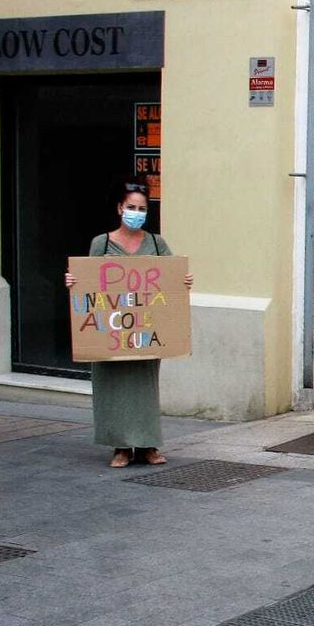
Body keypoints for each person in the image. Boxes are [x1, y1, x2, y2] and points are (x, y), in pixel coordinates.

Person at [62, 182, 193, 468]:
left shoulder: (157, 243)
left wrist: (184, 281)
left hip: (144, 331)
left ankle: (147, 444)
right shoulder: (102, 243)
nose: (136, 213)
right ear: (120, 208)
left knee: (144, 388)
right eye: (131, 207)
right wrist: (73, 281)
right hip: (112, 330)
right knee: (113, 386)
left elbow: (171, 278)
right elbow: (88, 281)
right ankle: (120, 447)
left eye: (142, 209)